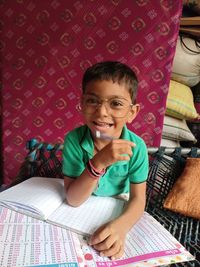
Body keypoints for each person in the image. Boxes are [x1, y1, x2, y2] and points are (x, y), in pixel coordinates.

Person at [62, 61, 149, 260]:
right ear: (82, 104)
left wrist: (121, 226)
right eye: (93, 101)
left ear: (132, 112)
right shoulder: (73, 140)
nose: (102, 112)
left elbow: (138, 199)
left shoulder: (137, 148)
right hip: (80, 207)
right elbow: (73, 199)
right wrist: (99, 162)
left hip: (119, 205)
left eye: (116, 104)